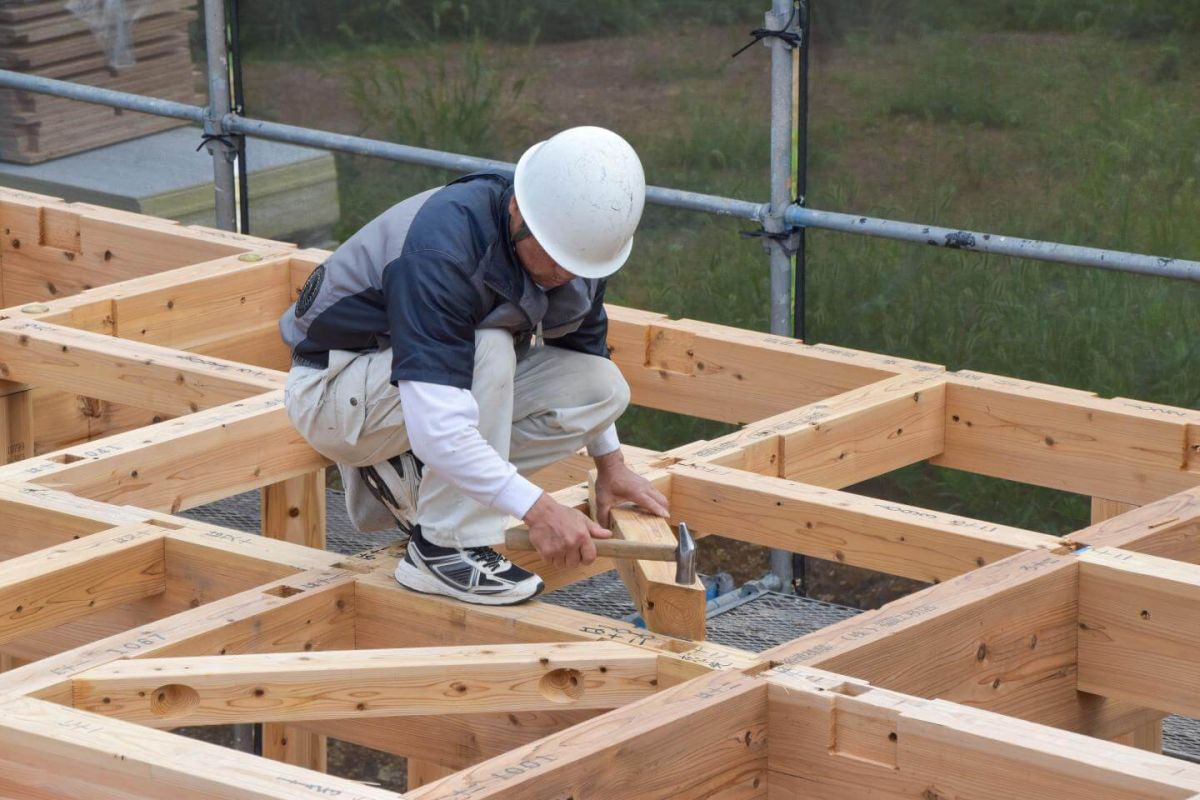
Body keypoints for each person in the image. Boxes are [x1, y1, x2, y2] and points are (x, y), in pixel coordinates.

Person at [280, 126, 669, 606]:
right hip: (334, 392)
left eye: (576, 265)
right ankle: (443, 548)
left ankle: (413, 483)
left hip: (406, 394)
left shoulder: (574, 251)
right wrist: (539, 509)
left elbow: (582, 353)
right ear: (518, 211)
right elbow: (440, 425)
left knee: (601, 388)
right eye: (553, 257)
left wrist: (612, 467)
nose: (560, 275)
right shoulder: (440, 253)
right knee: (488, 345)